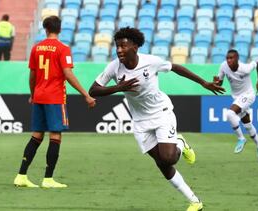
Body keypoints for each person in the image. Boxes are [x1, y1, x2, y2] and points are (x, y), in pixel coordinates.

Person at [89, 27, 224, 211]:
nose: (119, 50)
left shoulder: (151, 62)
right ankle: (195, 202)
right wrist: (119, 87)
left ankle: (180, 144)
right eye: (117, 46)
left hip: (161, 113)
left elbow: (176, 68)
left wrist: (203, 83)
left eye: (123, 46)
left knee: (169, 158)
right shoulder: (113, 67)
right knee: (162, 164)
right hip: (140, 122)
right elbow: (93, 90)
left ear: (135, 47)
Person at [13, 16, 96, 188]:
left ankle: (21, 176)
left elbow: (32, 76)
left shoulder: (36, 48)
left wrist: (32, 94)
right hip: (55, 98)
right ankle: (48, 179)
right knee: (55, 135)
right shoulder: (63, 48)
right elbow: (68, 73)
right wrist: (85, 95)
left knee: (36, 135)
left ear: (45, 29)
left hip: (39, 96)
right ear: (59, 29)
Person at [213, 50, 258, 162]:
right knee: (247, 124)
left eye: (231, 58)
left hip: (248, 95)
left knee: (230, 113)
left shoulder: (245, 68)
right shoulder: (223, 66)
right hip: (237, 97)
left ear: (237, 58)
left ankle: (241, 138)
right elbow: (220, 82)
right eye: (227, 58)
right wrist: (216, 83)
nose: (229, 60)